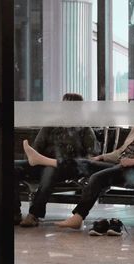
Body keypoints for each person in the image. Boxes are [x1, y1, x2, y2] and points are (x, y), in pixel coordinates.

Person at [22, 105, 134, 232]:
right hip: (120, 165)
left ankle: (78, 216)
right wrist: (102, 157)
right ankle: (41, 160)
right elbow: (120, 152)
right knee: (84, 163)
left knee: (97, 177)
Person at [14, 93, 100, 227]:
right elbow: (36, 148)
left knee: (50, 170)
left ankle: (34, 214)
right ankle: (13, 212)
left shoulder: (84, 129)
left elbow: (92, 157)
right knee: (10, 167)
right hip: (40, 163)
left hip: (64, 167)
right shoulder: (51, 126)